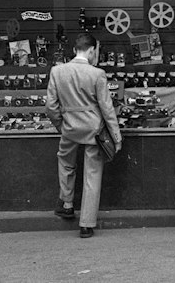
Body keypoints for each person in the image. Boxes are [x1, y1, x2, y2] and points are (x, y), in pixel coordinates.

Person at [46, 32, 121, 239]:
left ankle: (67, 203)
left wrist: (61, 126)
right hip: (94, 130)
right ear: (91, 50)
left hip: (69, 128)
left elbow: (51, 107)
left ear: (73, 50)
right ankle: (86, 224)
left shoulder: (57, 71)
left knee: (65, 162)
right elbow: (107, 109)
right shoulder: (97, 74)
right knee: (92, 174)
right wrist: (116, 135)